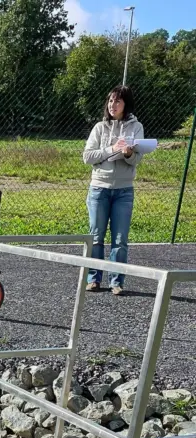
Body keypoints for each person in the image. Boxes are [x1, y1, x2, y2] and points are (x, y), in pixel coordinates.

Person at [83, 85, 144, 296]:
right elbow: (87, 157)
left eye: (117, 101)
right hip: (99, 189)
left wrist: (128, 154)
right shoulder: (99, 128)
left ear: (126, 104)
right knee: (96, 236)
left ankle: (116, 282)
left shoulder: (136, 127)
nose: (112, 105)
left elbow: (137, 159)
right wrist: (112, 149)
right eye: (110, 101)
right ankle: (93, 279)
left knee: (120, 240)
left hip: (124, 191)